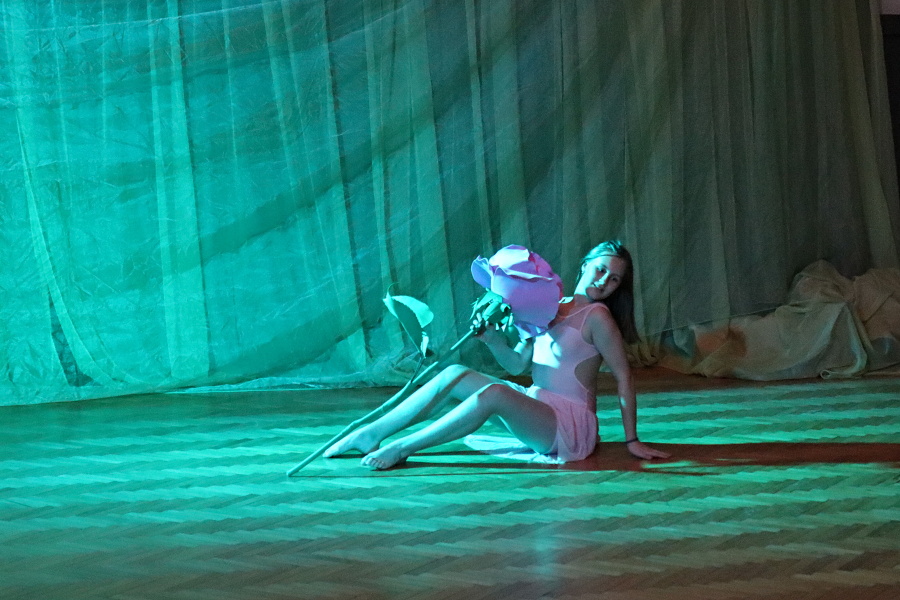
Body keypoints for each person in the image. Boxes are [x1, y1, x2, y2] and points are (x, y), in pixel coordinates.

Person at [324, 240, 670, 469]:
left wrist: (632, 440)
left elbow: (624, 377)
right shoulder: (549, 304)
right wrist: (492, 340)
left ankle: (403, 447)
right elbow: (517, 364)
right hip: (537, 406)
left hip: (569, 425)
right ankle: (372, 432)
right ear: (585, 264)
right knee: (453, 374)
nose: (605, 280)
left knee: (494, 393)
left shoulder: (598, 317)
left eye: (615, 279)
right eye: (601, 269)